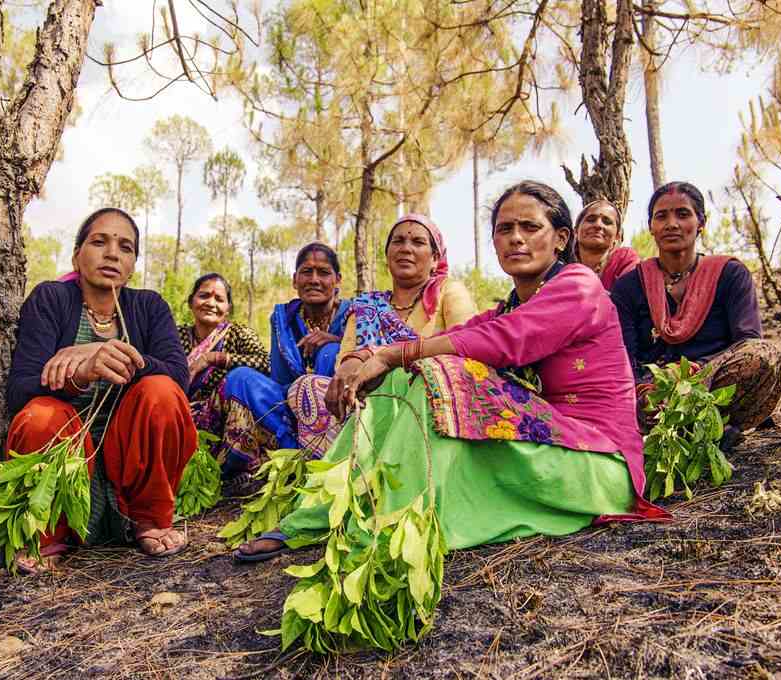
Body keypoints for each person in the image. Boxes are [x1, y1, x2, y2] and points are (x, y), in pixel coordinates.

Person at [234, 180, 670, 562]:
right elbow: (469, 331)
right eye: (504, 229)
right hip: (550, 445)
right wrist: (370, 357)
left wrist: (391, 354)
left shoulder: (578, 285)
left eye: (529, 227)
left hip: (598, 463)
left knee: (436, 371)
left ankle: (395, 524)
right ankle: (320, 513)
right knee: (403, 375)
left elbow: (504, 339)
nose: (516, 239)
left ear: (560, 239)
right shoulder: (515, 303)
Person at [6, 207, 197, 573]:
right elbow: (19, 389)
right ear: (76, 255)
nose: (112, 253)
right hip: (69, 462)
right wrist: (79, 374)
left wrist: (107, 352)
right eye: (99, 242)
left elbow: (178, 377)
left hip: (128, 461)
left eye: (125, 247)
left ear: (133, 264)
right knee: (41, 414)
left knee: (162, 392)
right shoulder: (50, 299)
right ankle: (48, 532)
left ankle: (150, 517)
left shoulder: (149, 307)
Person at [287, 214, 477, 456]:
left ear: (435, 259)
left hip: (426, 400)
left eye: (418, 242)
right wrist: (347, 372)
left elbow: (466, 344)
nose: (406, 248)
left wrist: (383, 358)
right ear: (387, 255)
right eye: (398, 241)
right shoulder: (367, 305)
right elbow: (348, 357)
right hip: (368, 400)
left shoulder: (449, 292)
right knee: (306, 387)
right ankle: (344, 468)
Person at [610, 181, 781, 443]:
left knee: (762, 355)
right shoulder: (629, 285)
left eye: (682, 214)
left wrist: (694, 372)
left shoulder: (729, 274)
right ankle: (692, 432)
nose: (671, 224)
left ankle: (713, 425)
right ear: (651, 227)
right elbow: (625, 356)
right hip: (653, 392)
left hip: (712, 385)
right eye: (661, 216)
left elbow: (747, 341)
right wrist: (647, 388)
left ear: (701, 223)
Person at [218, 243, 352, 487]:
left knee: (329, 353)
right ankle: (291, 456)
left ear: (337, 280)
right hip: (289, 409)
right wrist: (300, 393)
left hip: (341, 412)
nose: (314, 280)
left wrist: (336, 341)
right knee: (240, 378)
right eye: (306, 272)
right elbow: (279, 380)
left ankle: (324, 459)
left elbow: (366, 361)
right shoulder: (282, 318)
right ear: (294, 280)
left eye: (323, 272)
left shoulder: (353, 314)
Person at [178, 274, 270, 437]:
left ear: (228, 308)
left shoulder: (239, 334)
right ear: (191, 302)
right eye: (204, 296)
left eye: (219, 299)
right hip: (176, 414)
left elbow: (266, 363)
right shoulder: (176, 335)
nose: (210, 303)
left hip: (225, 423)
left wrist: (213, 358)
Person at [574, 199, 640, 290]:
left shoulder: (624, 260)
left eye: (607, 222)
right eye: (591, 220)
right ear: (576, 231)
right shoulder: (563, 270)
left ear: (617, 236)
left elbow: (627, 295)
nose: (598, 225)